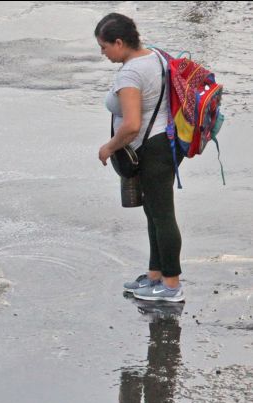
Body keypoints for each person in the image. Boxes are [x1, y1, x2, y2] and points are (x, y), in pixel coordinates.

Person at [95, 13, 183, 302]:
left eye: (105, 47)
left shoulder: (130, 73)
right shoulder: (154, 56)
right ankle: (155, 276)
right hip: (163, 144)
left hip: (152, 150)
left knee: (163, 216)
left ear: (119, 42)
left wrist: (109, 147)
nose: (103, 53)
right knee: (154, 214)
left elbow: (132, 125)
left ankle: (171, 286)